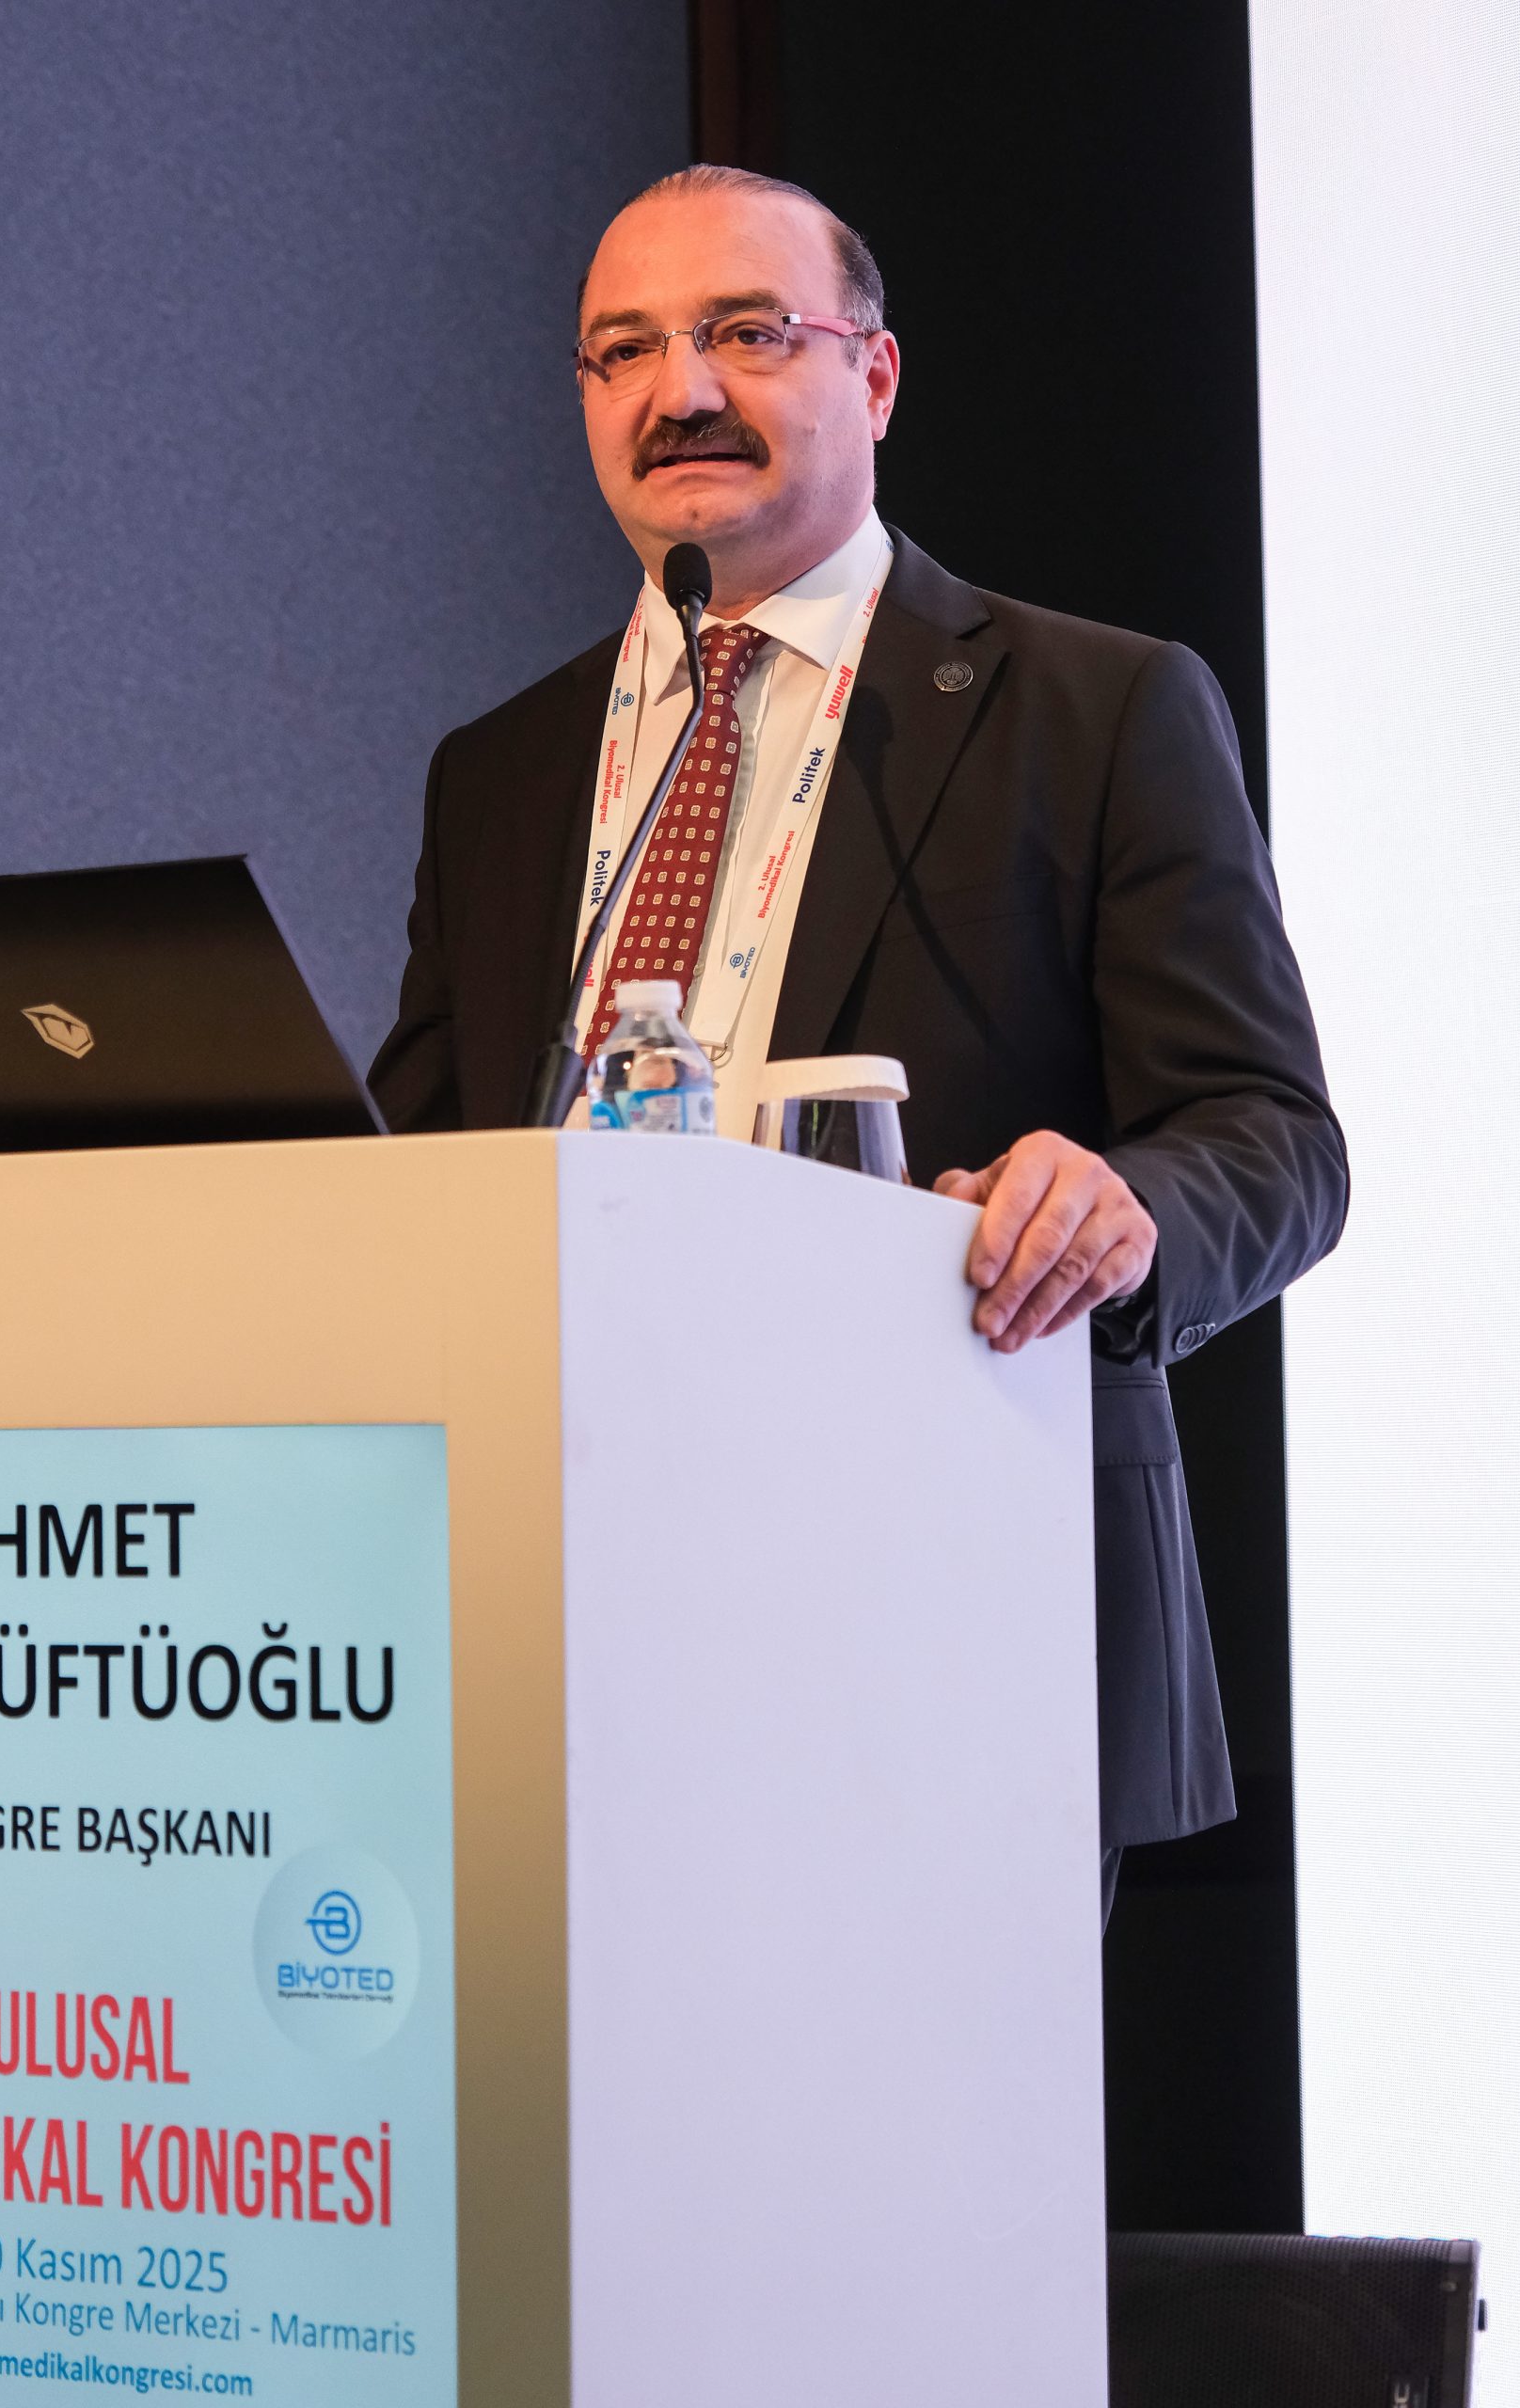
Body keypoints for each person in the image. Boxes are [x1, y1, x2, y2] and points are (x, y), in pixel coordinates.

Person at [370, 165, 1348, 1923]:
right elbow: (420, 1165)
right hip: (557, 1601)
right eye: (622, 350)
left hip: (954, 1601)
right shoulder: (499, 770)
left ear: (873, 377)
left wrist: (1122, 1206)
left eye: (746, 332)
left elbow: (1272, 1137)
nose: (679, 391)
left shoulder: (1092, 707)